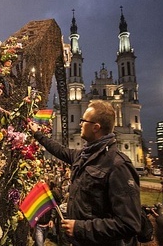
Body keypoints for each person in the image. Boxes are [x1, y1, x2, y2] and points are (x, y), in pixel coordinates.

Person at [28, 100, 141, 246]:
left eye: (83, 121)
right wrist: (38, 134)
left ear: (96, 127)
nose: (80, 124)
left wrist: (80, 228)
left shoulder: (117, 165)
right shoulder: (84, 156)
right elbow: (60, 151)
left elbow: (129, 223)